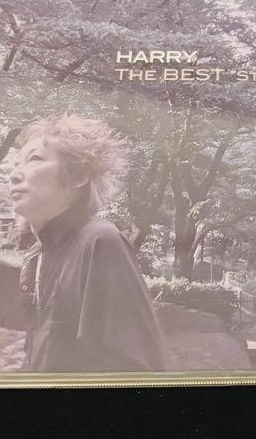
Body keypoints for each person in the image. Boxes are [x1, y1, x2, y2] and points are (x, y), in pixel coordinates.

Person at [9, 115, 164, 372]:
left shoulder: (100, 242)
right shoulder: (37, 255)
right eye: (15, 164)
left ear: (78, 176)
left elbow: (133, 369)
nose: (14, 175)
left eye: (34, 159)